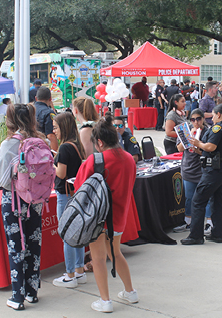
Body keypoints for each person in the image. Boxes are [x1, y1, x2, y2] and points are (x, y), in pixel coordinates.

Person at [73, 116, 138, 313]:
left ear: (99, 142)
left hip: (97, 218)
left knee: (98, 258)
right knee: (115, 253)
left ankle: (105, 300)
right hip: (118, 217)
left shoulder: (95, 160)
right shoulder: (128, 158)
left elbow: (79, 186)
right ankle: (130, 292)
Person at [0, 104, 48, 310]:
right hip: (36, 200)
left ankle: (17, 297)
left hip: (15, 201)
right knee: (34, 243)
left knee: (17, 246)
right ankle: (32, 292)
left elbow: (0, 179)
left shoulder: (10, 144)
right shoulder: (39, 140)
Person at [181, 104, 222, 245]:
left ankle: (195, 235)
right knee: (217, 201)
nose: (211, 116)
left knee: (198, 200)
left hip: (214, 169)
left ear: (218, 114)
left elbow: (211, 147)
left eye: (213, 114)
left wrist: (198, 143)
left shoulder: (218, 128)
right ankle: (217, 233)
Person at [51, 112, 87, 289]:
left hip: (65, 196)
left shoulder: (64, 148)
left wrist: (51, 162)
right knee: (78, 234)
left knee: (66, 234)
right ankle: (79, 271)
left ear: (63, 127)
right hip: (77, 194)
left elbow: (61, 173)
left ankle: (70, 274)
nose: (53, 131)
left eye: (56, 127)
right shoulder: (77, 144)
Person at [173, 109, 213, 234]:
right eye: (193, 119)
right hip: (188, 168)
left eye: (198, 119)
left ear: (203, 119)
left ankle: (209, 222)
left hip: (203, 169)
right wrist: (188, 138)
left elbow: (209, 151)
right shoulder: (186, 130)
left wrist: (198, 147)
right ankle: (188, 220)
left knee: (206, 197)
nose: (196, 122)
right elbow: (179, 148)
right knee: (189, 197)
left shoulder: (208, 131)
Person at [34, 86, 58, 151]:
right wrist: (55, 154)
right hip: (42, 149)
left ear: (36, 98)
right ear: (50, 99)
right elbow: (51, 136)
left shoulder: (29, 109)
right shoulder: (48, 112)